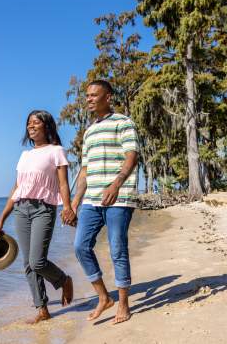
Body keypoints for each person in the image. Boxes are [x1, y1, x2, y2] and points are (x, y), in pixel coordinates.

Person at [0, 110, 77, 324]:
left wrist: (67, 207)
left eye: (35, 122)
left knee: (37, 261)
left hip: (43, 209)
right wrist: (2, 217)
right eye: (29, 123)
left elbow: (63, 183)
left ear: (46, 126)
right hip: (21, 210)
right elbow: (17, 187)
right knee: (28, 264)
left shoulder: (56, 151)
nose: (30, 126)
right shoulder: (25, 155)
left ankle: (63, 280)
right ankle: (42, 309)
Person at [71, 80, 140, 325]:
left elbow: (131, 157)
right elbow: (85, 170)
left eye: (93, 95)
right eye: (87, 96)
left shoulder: (124, 122)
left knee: (117, 249)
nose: (88, 99)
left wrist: (116, 184)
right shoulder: (88, 131)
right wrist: (74, 202)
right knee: (80, 246)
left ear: (108, 97)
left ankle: (123, 303)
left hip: (119, 197)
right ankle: (103, 297)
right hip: (92, 200)